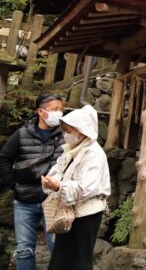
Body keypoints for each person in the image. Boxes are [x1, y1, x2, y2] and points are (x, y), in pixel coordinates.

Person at [41, 104, 110, 270]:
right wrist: (52, 182)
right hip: (70, 211)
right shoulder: (72, 150)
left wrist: (59, 186)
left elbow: (87, 187)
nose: (65, 135)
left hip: (86, 214)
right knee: (61, 260)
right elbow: (57, 171)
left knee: (78, 260)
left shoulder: (94, 153)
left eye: (69, 131)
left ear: (82, 131)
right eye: (64, 130)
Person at [0, 93, 65, 270]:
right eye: (55, 109)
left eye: (61, 109)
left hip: (54, 200)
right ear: (40, 111)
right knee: (24, 250)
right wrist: (14, 185)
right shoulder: (22, 134)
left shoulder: (67, 134)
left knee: (58, 249)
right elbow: (4, 159)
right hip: (25, 201)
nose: (59, 113)